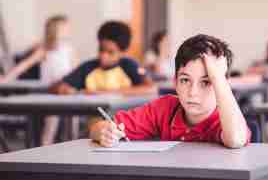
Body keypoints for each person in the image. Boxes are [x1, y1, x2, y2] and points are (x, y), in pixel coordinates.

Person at [89, 34, 250, 148]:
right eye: (185, 80)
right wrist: (104, 132)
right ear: (175, 82)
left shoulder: (226, 119)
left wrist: (219, 78)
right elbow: (100, 127)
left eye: (206, 82)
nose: (193, 92)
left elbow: (235, 139)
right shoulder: (165, 109)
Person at [0, 15, 77, 145]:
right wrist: (5, 79)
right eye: (65, 28)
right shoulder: (44, 49)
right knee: (50, 127)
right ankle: (44, 149)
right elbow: (23, 66)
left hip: (68, 91)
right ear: (55, 30)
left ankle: (74, 147)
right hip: (51, 93)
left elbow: (77, 70)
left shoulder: (69, 49)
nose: (68, 31)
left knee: (72, 126)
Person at [50, 20, 156, 96]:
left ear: (122, 52)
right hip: (96, 125)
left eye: (110, 52)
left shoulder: (131, 65)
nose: (103, 56)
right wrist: (63, 89)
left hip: (124, 125)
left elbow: (151, 89)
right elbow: (57, 86)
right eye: (101, 50)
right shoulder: (88, 67)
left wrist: (103, 93)